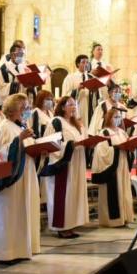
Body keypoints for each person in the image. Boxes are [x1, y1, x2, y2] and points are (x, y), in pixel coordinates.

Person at [0, 94, 40, 262]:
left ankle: (22, 248)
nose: (27, 112)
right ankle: (6, 251)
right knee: (9, 212)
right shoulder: (4, 127)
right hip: (11, 181)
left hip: (26, 175)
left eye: (28, 108)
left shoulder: (20, 126)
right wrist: (19, 140)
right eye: (24, 108)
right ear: (13, 110)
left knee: (22, 211)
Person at [43, 97, 89, 238]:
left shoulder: (76, 124)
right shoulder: (56, 122)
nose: (74, 107)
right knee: (63, 195)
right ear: (62, 107)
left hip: (76, 164)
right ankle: (61, 227)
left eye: (75, 104)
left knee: (72, 195)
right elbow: (51, 144)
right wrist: (70, 146)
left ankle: (70, 225)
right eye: (70, 104)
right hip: (63, 165)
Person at [92, 108, 135, 227]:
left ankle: (125, 217)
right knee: (113, 191)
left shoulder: (122, 132)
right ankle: (112, 220)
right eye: (115, 117)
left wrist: (131, 150)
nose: (117, 119)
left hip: (123, 165)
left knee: (124, 190)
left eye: (119, 117)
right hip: (111, 167)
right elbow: (101, 152)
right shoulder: (104, 132)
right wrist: (116, 149)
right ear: (108, 118)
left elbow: (128, 146)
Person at [62, 54, 96, 130]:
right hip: (76, 108)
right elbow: (65, 96)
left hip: (89, 108)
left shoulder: (91, 78)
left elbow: (97, 97)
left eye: (87, 62)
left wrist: (94, 91)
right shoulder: (70, 77)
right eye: (83, 62)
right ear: (78, 64)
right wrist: (77, 90)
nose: (86, 64)